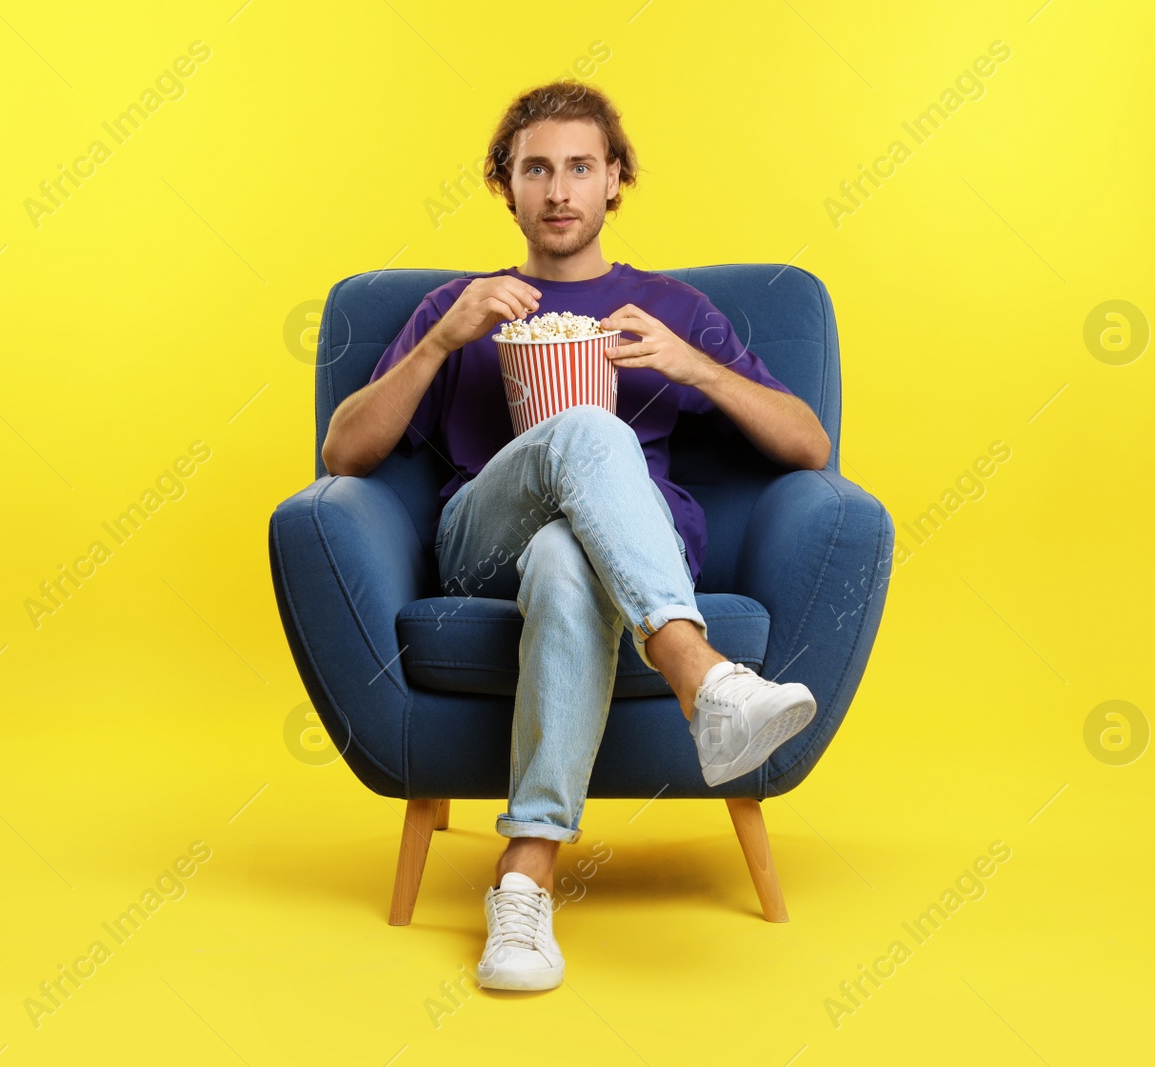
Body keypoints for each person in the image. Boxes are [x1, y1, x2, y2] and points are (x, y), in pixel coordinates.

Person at [321, 80, 833, 992]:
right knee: (593, 432)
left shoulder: (672, 310)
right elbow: (343, 453)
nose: (558, 190)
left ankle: (523, 885)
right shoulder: (459, 306)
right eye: (536, 169)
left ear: (615, 183)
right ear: (505, 187)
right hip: (482, 545)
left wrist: (691, 365)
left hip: (628, 556)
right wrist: (443, 340)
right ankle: (704, 678)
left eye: (580, 168)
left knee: (567, 558)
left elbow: (810, 444)